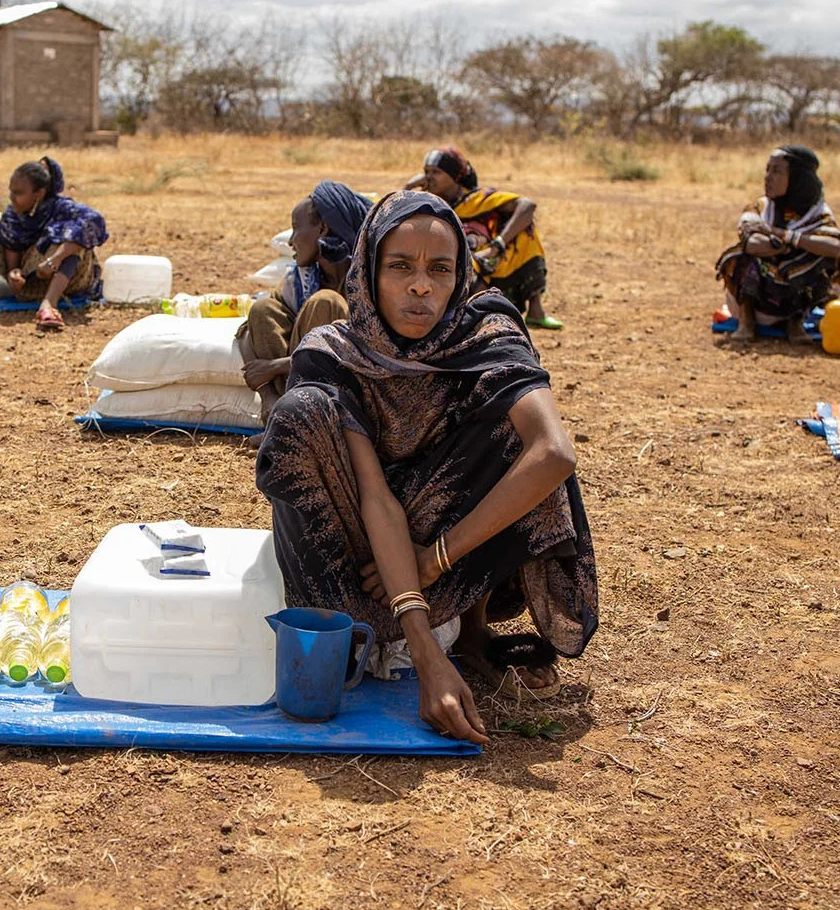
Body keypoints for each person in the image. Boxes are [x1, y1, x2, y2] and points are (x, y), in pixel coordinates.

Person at [255, 191, 597, 743]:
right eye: (400, 267)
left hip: (449, 554)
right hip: (365, 548)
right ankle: (343, 626)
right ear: (369, 270)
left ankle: (472, 631)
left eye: (440, 269)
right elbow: (375, 497)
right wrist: (422, 648)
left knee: (515, 427)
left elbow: (554, 453)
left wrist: (437, 558)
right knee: (300, 413)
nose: (421, 286)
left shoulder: (486, 333)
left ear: (460, 274)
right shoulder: (336, 351)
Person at [238, 180, 372, 421]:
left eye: (295, 228)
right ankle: (285, 416)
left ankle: (312, 421)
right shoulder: (300, 280)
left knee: (325, 303)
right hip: (291, 394)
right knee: (262, 309)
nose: (290, 242)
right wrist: (267, 395)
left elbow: (359, 353)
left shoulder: (365, 281)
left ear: (322, 229)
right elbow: (247, 333)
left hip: (347, 394)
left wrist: (277, 366)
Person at [715, 145, 840, 342]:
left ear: (798, 178)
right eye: (767, 170)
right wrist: (796, 244)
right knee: (742, 256)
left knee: (823, 261)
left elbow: (834, 247)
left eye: (776, 171)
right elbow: (753, 243)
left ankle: (794, 324)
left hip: (794, 301)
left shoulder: (817, 213)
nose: (767, 177)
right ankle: (746, 324)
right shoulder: (760, 207)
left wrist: (783, 235)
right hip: (758, 302)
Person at [417, 146, 563, 331]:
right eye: (426, 172)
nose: (429, 177)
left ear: (454, 176)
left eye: (436, 172)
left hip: (490, 257)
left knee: (527, 233)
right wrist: (407, 187)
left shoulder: (477, 199)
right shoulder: (426, 201)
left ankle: (536, 311)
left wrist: (497, 245)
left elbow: (527, 206)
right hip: (453, 261)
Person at [0, 156, 107, 330]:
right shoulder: (13, 216)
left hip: (67, 282)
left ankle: (49, 305)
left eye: (19, 193)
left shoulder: (61, 209)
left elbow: (94, 221)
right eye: (11, 191)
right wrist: (14, 273)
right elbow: (13, 253)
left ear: (40, 193)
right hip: (29, 286)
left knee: (74, 235)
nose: (12, 197)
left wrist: (56, 259)